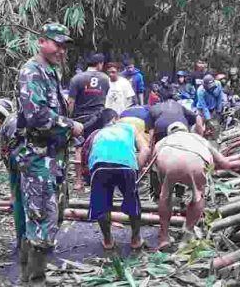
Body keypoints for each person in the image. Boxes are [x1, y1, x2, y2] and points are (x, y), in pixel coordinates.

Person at [14, 23, 84, 282]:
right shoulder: (31, 71)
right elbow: (37, 116)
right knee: (42, 218)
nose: (62, 51)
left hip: (52, 158)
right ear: (41, 41)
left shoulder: (49, 71)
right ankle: (34, 280)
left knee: (47, 217)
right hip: (38, 159)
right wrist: (71, 126)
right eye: (57, 44)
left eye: (64, 46)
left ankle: (30, 276)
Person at [147, 123, 239, 250]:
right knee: (198, 196)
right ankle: (187, 235)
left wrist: (160, 193)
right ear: (186, 130)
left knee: (165, 196)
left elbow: (153, 168)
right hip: (195, 161)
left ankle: (164, 237)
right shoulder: (197, 138)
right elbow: (224, 162)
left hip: (168, 159)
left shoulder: (163, 141)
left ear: (170, 133)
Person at [80, 109, 150, 250]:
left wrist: (87, 178)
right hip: (126, 166)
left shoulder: (96, 133)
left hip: (99, 166)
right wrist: (136, 170)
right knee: (133, 202)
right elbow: (146, 150)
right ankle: (136, 239)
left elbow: (84, 155)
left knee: (101, 204)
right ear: (116, 119)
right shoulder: (130, 128)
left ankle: (108, 240)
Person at [68, 52, 110, 190]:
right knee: (97, 146)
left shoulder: (77, 79)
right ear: (100, 64)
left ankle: (79, 181)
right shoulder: (105, 79)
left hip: (80, 119)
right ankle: (98, 178)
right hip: (98, 117)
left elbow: (71, 102)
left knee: (79, 148)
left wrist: (69, 118)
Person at [0, 113, 29, 266]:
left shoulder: (9, 119)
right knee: (37, 199)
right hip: (37, 159)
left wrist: (10, 169)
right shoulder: (46, 115)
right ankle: (37, 242)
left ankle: (21, 240)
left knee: (18, 200)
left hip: (14, 158)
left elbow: (3, 149)